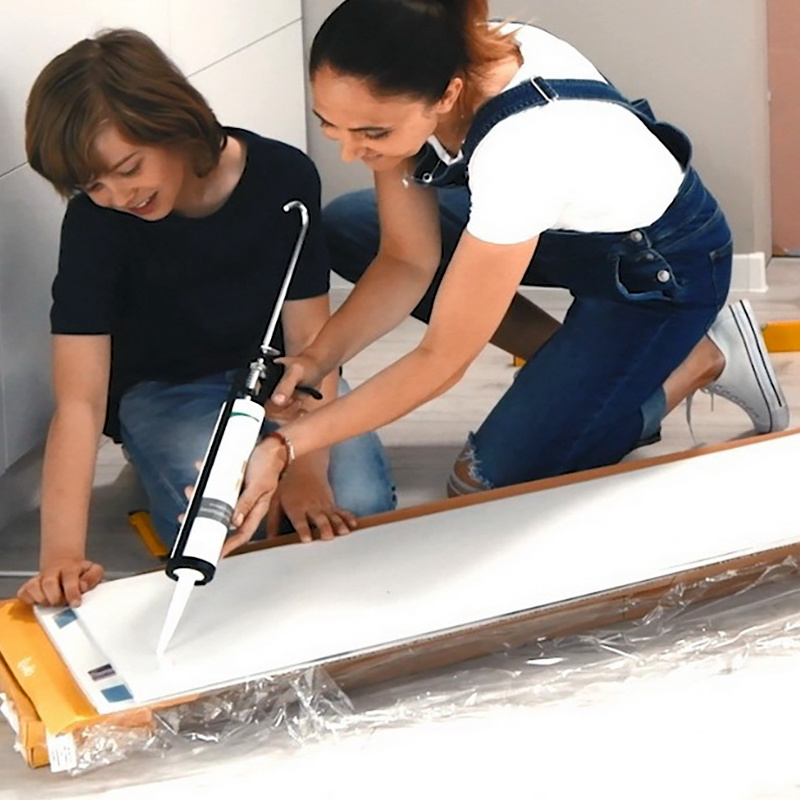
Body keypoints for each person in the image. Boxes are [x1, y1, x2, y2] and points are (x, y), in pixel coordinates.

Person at [231, 0, 788, 552]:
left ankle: (703, 358)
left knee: (484, 486)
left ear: (447, 95)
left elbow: (441, 360)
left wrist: (287, 444)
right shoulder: (435, 57)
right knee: (354, 226)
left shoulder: (522, 150)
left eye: (372, 133)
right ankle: (580, 375)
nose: (352, 151)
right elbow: (407, 260)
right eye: (331, 126)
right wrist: (317, 358)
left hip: (661, 270)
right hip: (571, 231)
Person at [17, 28, 396, 608]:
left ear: (172, 122)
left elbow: (312, 342)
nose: (118, 195)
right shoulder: (95, 224)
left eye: (128, 167)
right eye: (92, 185)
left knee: (354, 511)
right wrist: (60, 557)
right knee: (229, 535)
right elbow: (80, 401)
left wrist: (305, 471)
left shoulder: (283, 176)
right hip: (165, 391)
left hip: (282, 379)